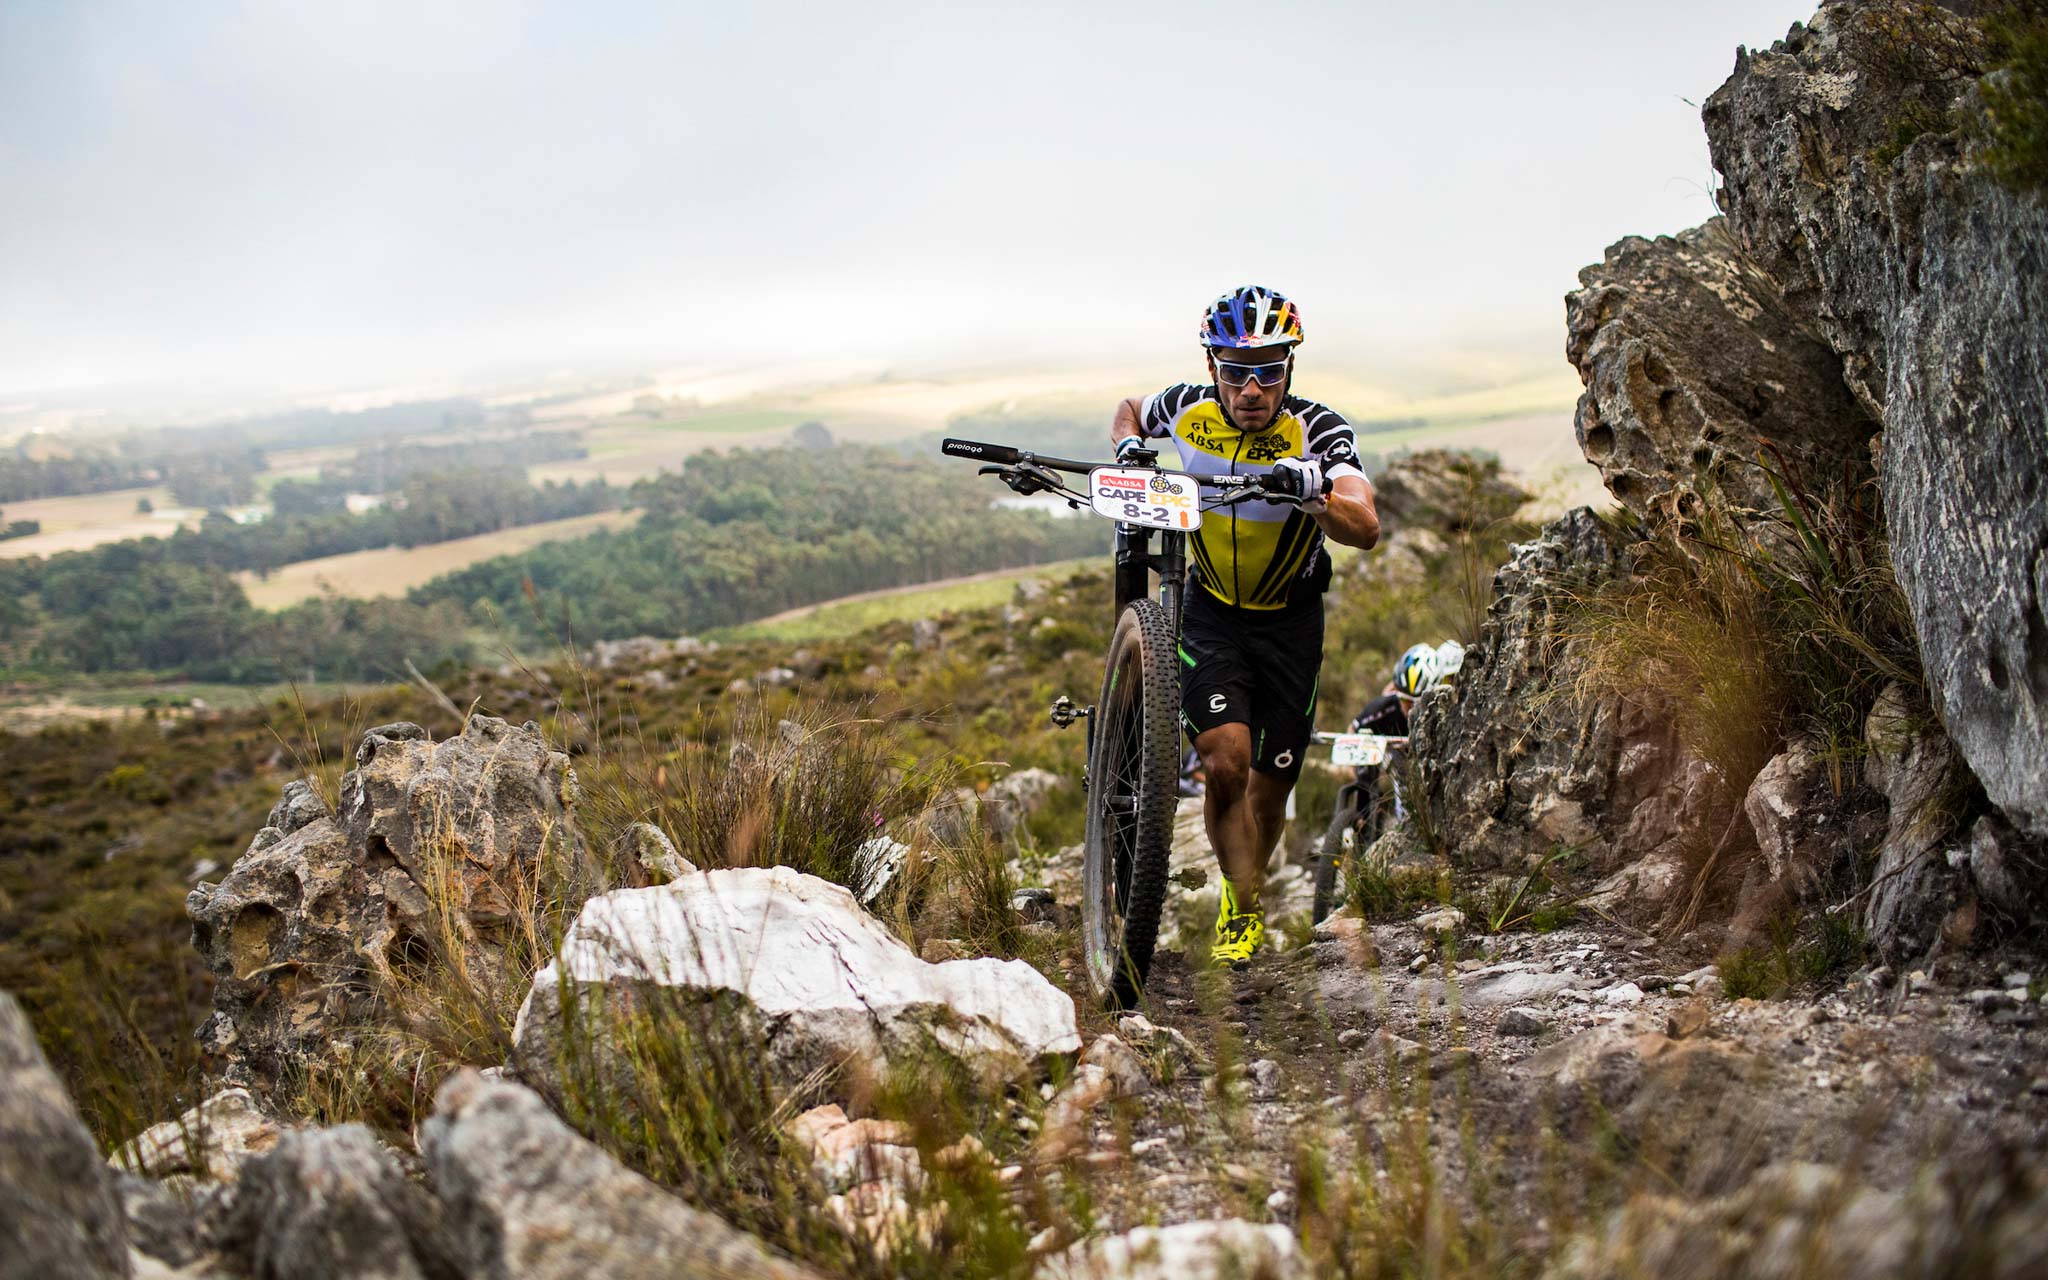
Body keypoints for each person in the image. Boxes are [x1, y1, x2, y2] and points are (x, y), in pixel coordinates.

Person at [1110, 285, 1380, 967]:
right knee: (1226, 762)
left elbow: (1365, 523)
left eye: (1268, 369)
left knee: (1271, 785)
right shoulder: (1187, 408)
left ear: (1289, 368)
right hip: (1210, 615)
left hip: (1291, 622)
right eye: (1236, 369)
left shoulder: (1317, 429)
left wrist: (1313, 494)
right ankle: (1242, 898)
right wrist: (1130, 449)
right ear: (1213, 368)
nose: (1252, 387)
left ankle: (1244, 892)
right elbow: (1131, 411)